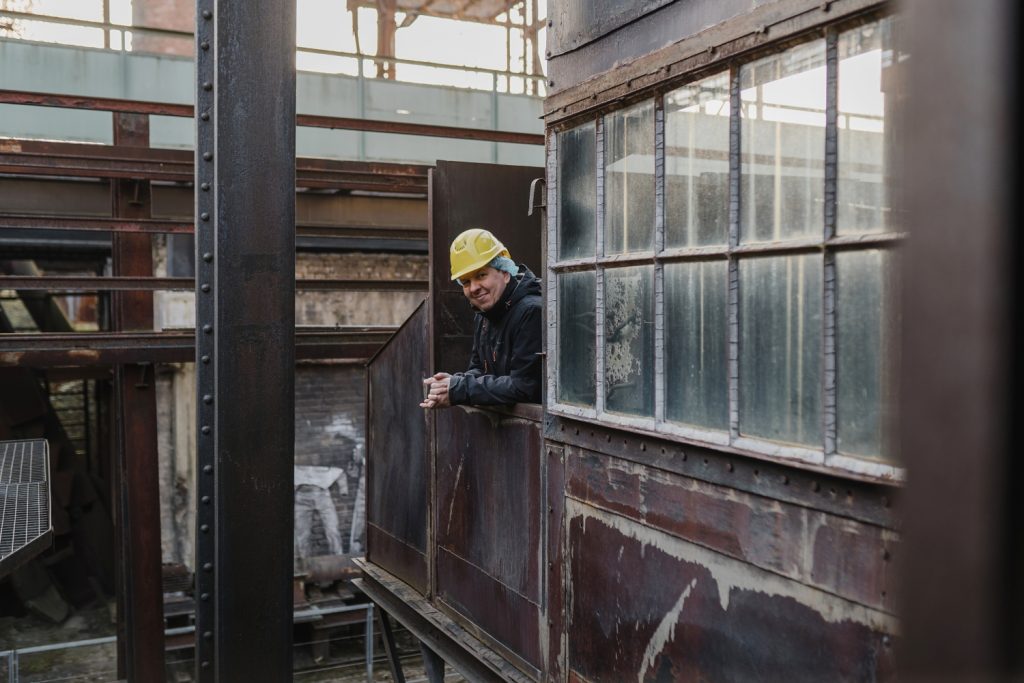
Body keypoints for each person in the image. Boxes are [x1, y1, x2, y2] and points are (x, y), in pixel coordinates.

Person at [420, 228, 542, 408]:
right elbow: (479, 370)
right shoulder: (485, 314)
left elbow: (524, 386)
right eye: (466, 281)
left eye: (481, 275)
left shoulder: (531, 312)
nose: (474, 288)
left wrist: (460, 388)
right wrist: (452, 383)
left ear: (505, 273)